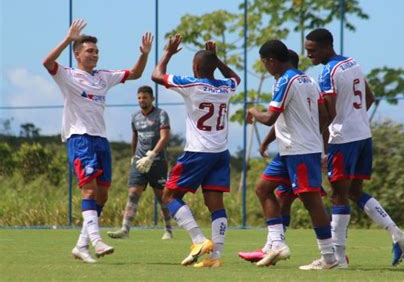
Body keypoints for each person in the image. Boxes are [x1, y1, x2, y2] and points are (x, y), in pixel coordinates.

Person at [42, 19, 153, 263]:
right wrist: (68, 38)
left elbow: (135, 74)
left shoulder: (103, 77)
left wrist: (144, 55)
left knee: (102, 195)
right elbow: (47, 62)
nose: (95, 54)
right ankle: (96, 240)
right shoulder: (67, 75)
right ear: (78, 54)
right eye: (90, 51)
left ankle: (81, 246)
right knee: (90, 190)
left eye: (97, 51)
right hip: (80, 139)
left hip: (101, 140)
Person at [304, 28, 404, 267]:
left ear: (325, 47)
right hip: (363, 135)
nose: (309, 56)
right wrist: (356, 119)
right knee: (353, 192)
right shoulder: (352, 63)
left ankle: (337, 257)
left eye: (312, 52)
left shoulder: (328, 72)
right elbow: (370, 96)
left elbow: (329, 113)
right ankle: (397, 234)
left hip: (343, 140)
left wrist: (321, 148)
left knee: (338, 195)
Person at [246, 40, 338, 270]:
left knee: (312, 202)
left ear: (272, 61)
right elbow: (325, 114)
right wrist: (314, 136)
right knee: (263, 188)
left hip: (300, 152)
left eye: (265, 63)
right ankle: (275, 243)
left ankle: (329, 258)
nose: (266, 68)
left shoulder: (285, 80)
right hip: (290, 150)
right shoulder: (309, 79)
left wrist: (253, 112)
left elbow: (269, 117)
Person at [151, 35, 240, 268]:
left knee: (169, 196)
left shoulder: (192, 84)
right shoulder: (226, 86)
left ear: (196, 67)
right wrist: (218, 59)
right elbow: (235, 77)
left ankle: (199, 240)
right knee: (216, 204)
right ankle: (215, 257)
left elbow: (156, 75)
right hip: (221, 152)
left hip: (198, 152)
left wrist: (168, 52)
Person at [107, 85, 173, 240]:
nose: (141, 100)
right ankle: (125, 230)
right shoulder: (135, 116)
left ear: (152, 98)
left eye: (145, 97)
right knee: (133, 193)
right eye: (139, 98)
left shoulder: (161, 114)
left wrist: (151, 155)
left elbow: (165, 137)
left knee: (162, 197)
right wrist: (133, 157)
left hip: (157, 162)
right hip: (139, 163)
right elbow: (135, 138)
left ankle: (168, 229)